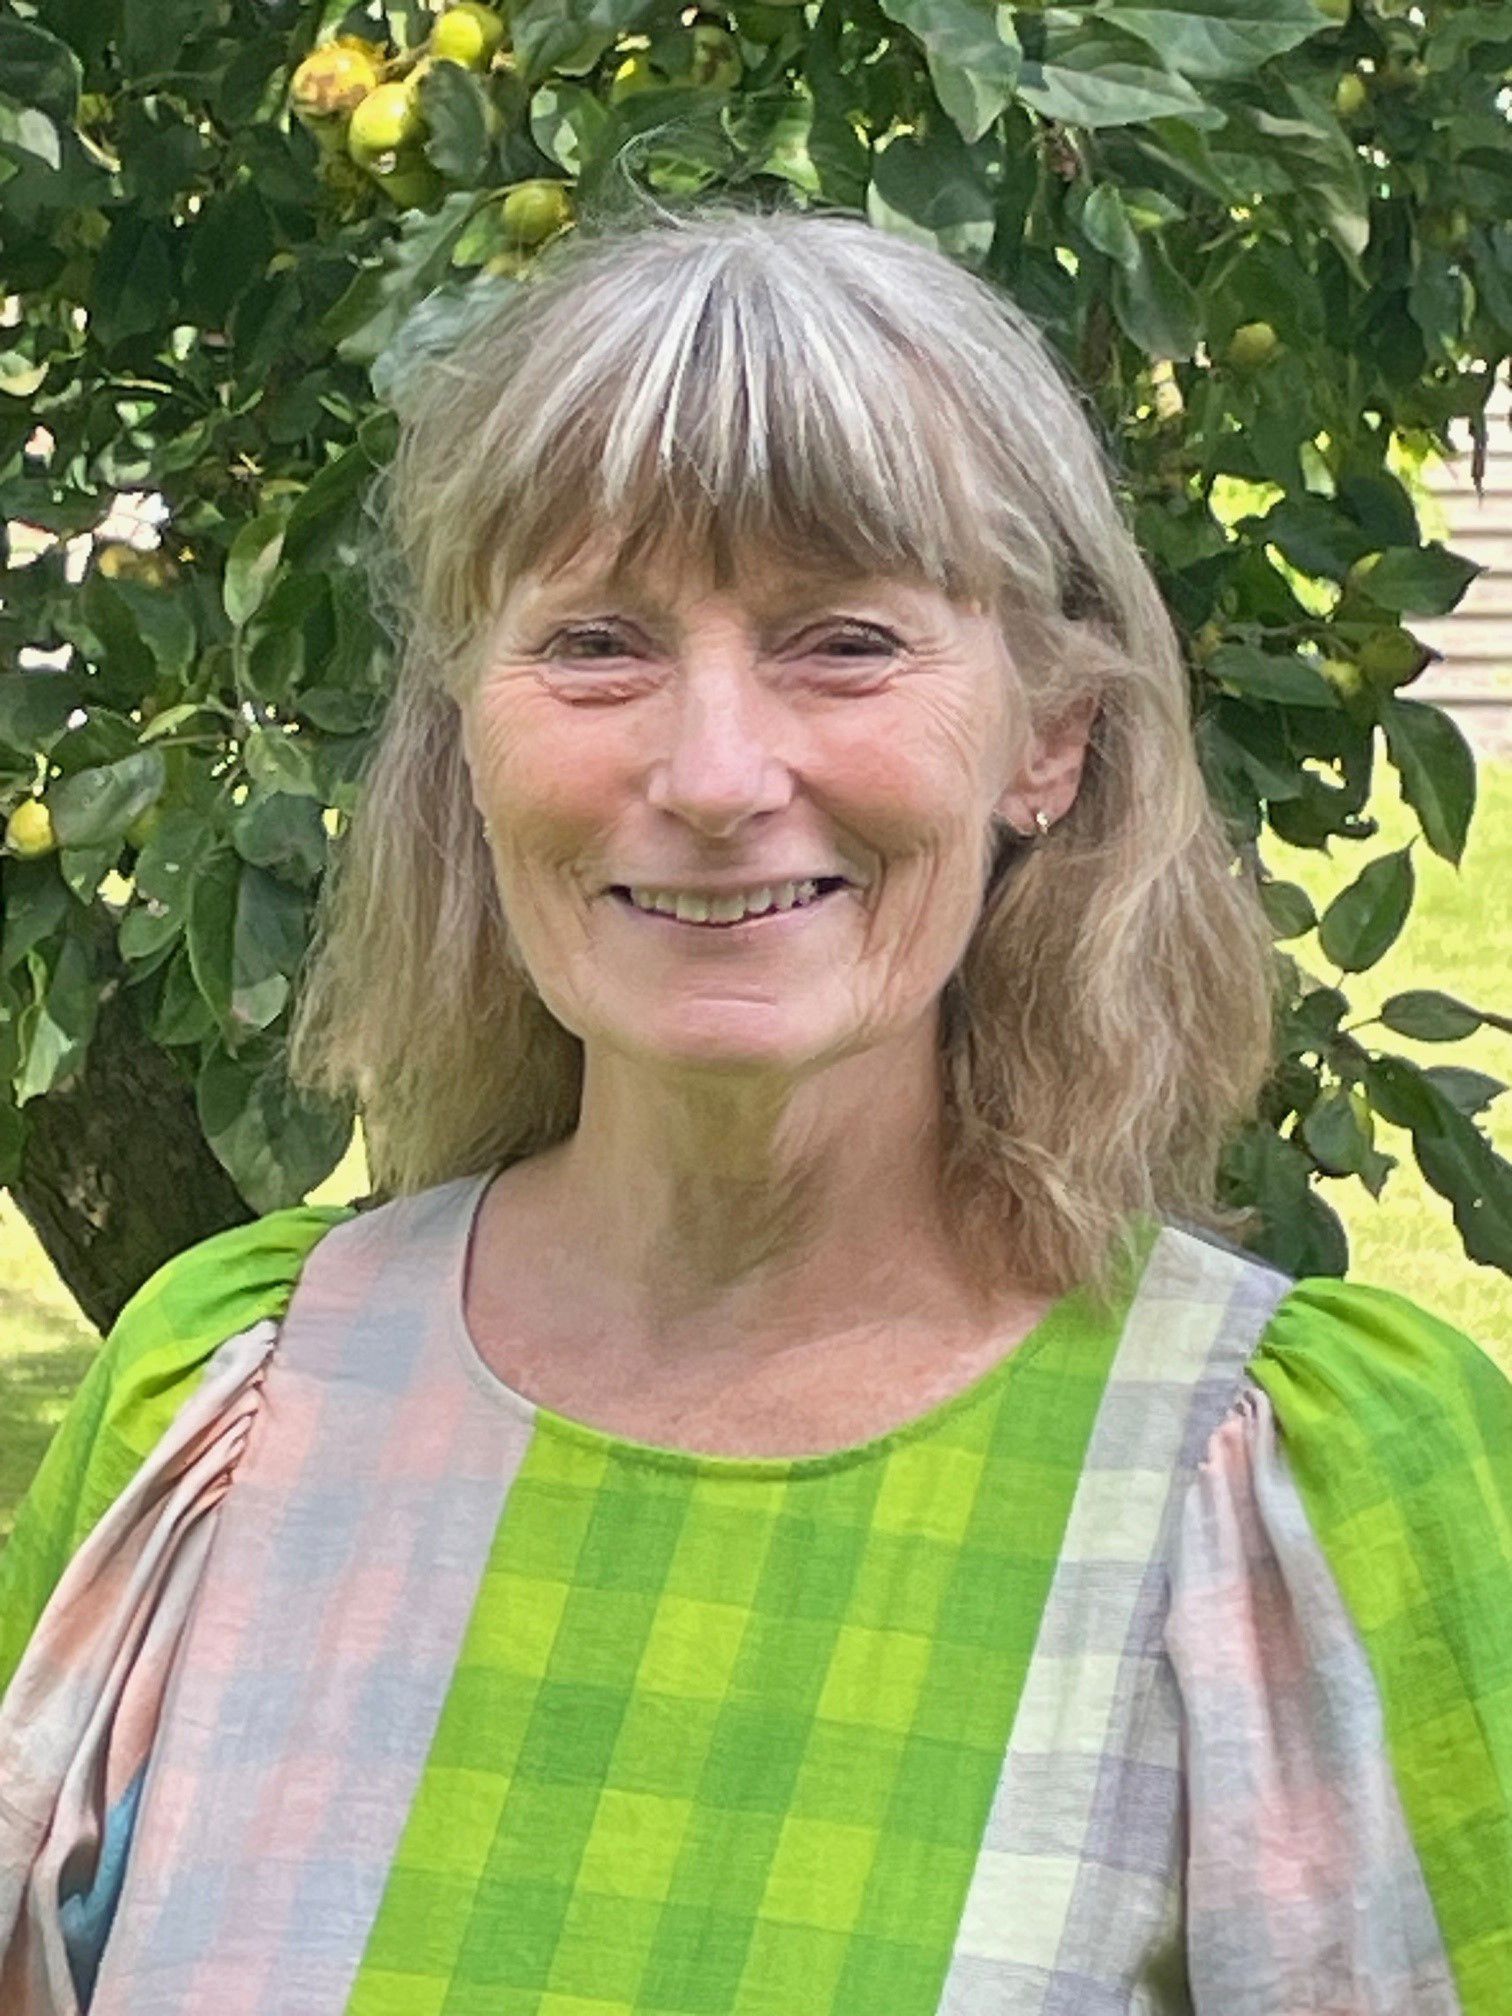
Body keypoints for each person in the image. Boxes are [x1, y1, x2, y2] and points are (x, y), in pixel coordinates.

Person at [2, 194, 1508, 2016]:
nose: (715, 776)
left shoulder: (1290, 1492)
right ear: (466, 729)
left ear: (1050, 738)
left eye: (845, 641)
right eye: (597, 643)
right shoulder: (216, 1413)